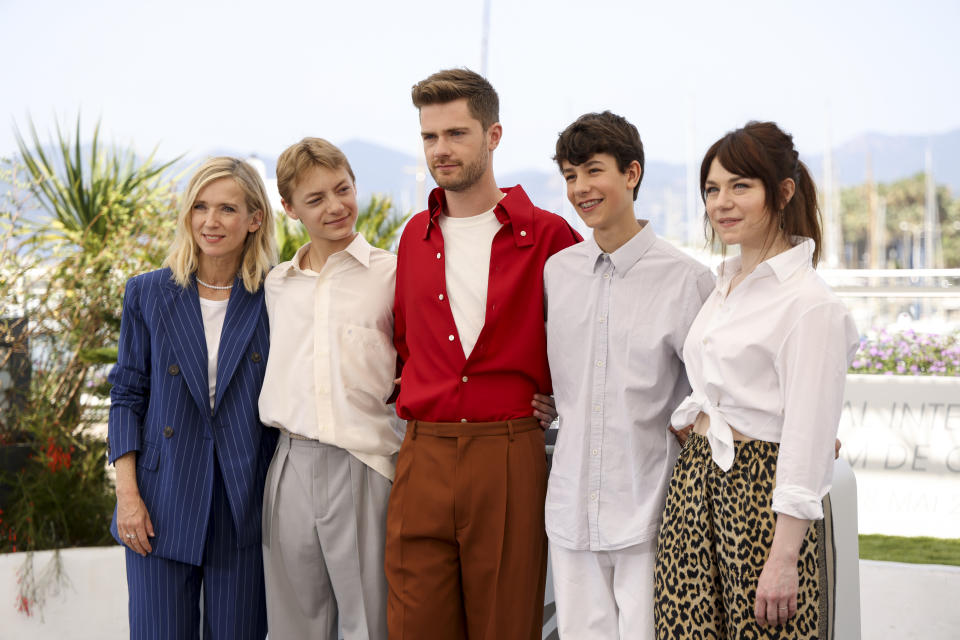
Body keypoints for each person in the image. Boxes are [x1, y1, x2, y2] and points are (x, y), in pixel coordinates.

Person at [385, 68, 581, 640]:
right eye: (429, 137)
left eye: (456, 134)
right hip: (422, 453)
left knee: (505, 625)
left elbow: (592, 341)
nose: (440, 150)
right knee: (413, 626)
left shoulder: (550, 238)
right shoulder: (412, 237)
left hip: (508, 454)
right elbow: (404, 343)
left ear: (493, 136)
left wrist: (560, 401)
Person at [654, 121, 859, 639]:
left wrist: (784, 556)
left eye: (740, 186)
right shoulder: (724, 284)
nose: (721, 202)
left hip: (761, 500)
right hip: (695, 484)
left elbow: (809, 436)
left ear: (783, 192)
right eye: (712, 189)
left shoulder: (811, 305)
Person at [544, 111, 714, 639]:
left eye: (593, 171)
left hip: (652, 513)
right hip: (570, 512)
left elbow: (714, 391)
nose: (580, 189)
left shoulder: (688, 280)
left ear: (632, 173)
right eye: (570, 176)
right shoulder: (557, 272)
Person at [108, 157, 278, 639]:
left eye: (227, 208)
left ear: (254, 219)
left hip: (244, 501)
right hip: (160, 502)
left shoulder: (276, 295)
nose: (210, 221)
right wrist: (128, 497)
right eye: (200, 206)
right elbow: (127, 394)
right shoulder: (147, 293)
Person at [257, 137, 402, 640]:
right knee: (294, 627)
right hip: (289, 464)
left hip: (365, 463)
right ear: (290, 208)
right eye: (316, 199)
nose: (336, 207)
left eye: (342, 190)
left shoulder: (394, 274)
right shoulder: (276, 284)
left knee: (371, 624)